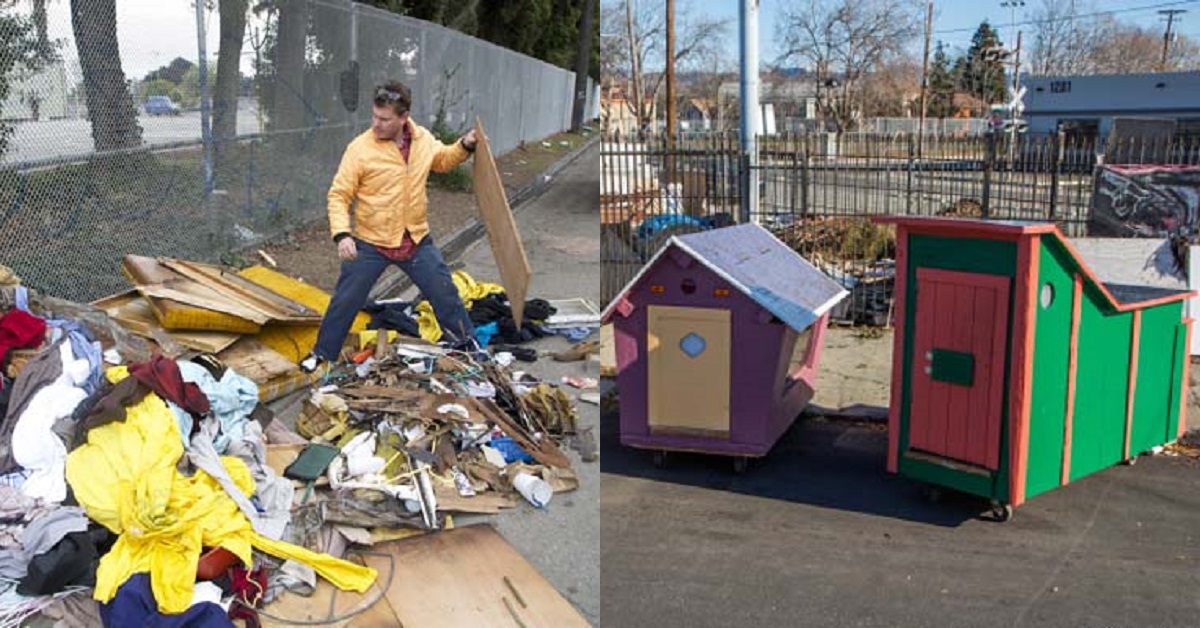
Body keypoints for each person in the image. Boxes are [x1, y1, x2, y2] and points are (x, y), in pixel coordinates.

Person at [300, 81, 479, 372]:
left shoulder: (422, 140)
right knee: (346, 300)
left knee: (445, 293)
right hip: (372, 242)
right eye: (375, 116)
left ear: (403, 117)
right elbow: (339, 194)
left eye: (384, 119)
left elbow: (444, 160)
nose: (376, 124)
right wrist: (342, 234)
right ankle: (322, 353)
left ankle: (468, 348)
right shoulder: (360, 148)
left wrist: (465, 145)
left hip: (415, 239)